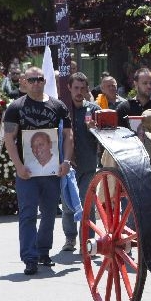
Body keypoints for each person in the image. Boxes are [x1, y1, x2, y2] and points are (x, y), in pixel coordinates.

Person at [2, 66, 73, 275]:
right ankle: (29, 258)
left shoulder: (57, 105)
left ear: (45, 80)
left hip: (51, 171)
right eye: (32, 80)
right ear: (24, 81)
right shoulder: (16, 107)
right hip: (27, 172)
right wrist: (18, 166)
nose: (36, 83)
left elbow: (68, 135)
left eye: (40, 79)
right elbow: (9, 138)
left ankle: (43, 251)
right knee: (28, 215)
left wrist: (67, 161)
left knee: (50, 213)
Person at [61, 72, 101, 252]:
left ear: (86, 89)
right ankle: (70, 238)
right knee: (68, 203)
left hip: (88, 165)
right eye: (75, 88)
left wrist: (95, 130)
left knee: (87, 203)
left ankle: (88, 240)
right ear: (69, 88)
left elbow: (105, 135)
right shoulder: (61, 110)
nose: (78, 91)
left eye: (82, 88)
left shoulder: (93, 110)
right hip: (67, 166)